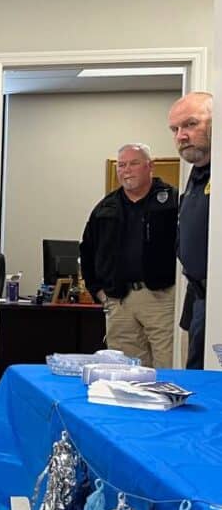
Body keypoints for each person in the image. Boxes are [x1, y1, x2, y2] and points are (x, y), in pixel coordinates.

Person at [78, 143, 177, 368]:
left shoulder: (171, 201)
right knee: (125, 370)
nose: (126, 170)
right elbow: (87, 249)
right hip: (119, 299)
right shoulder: (106, 207)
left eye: (134, 164)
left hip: (161, 297)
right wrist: (98, 291)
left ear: (150, 166)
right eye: (121, 165)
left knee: (169, 364)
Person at [168, 92, 211, 369]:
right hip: (199, 296)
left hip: (216, 297)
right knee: (197, 374)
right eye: (175, 129)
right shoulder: (197, 174)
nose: (181, 136)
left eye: (191, 124)